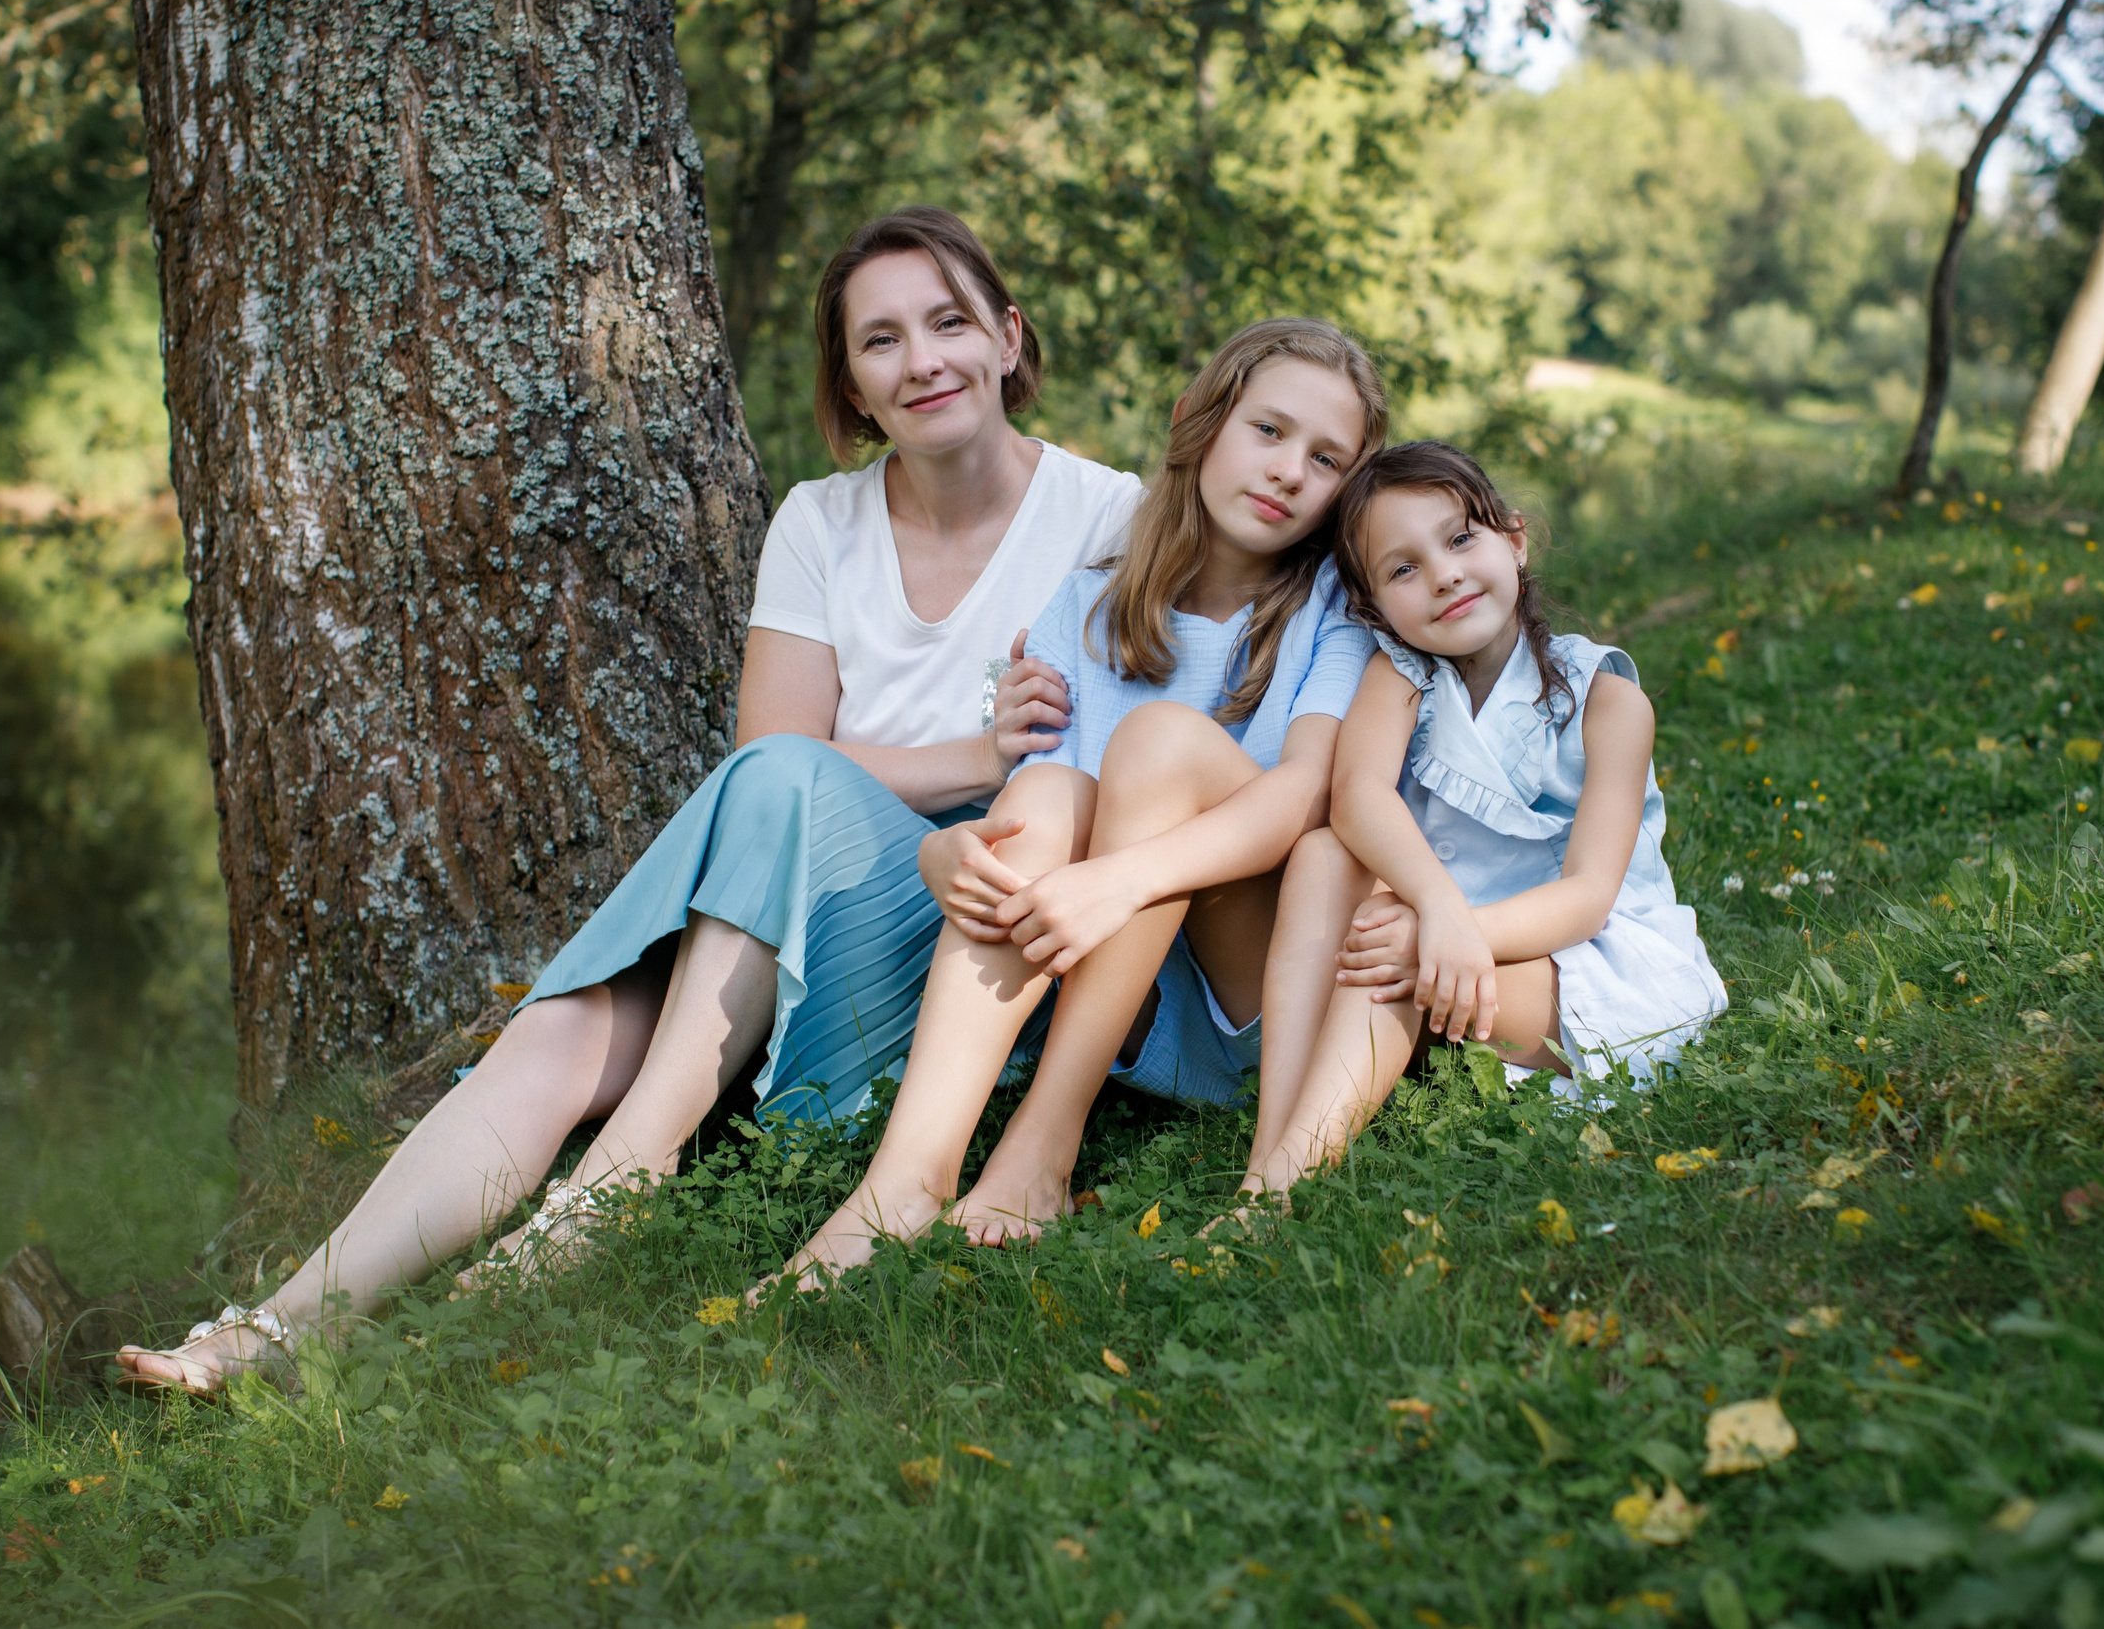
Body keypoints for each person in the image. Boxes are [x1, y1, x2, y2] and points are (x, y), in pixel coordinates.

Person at [118, 208, 1141, 1391]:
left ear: (1008, 339)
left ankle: (622, 1177)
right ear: (852, 387)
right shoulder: (820, 522)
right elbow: (775, 752)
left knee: (777, 793)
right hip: (773, 883)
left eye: (948, 323)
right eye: (880, 342)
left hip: (956, 946)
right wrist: (975, 750)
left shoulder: (1104, 520)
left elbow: (1079, 770)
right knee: (561, 1034)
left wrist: (932, 777)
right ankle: (290, 1324)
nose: (922, 362)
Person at [758, 318, 1389, 1293]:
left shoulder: (1336, 622)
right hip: (1112, 1000)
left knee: (1162, 744)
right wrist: (948, 857)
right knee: (1050, 787)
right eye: (1267, 431)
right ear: (1199, 422)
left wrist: (1117, 881)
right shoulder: (1086, 607)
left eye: (1326, 459)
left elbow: (1299, 802)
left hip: (1254, 994)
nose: (1289, 471)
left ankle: (1040, 1152)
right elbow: (1027, 814)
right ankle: (902, 1183)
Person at [1226, 440, 1726, 1202]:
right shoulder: (1399, 674)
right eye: (1403, 568)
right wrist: (1435, 907)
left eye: (1461, 538)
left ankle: (1279, 1190)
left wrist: (1450, 928)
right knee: (1328, 852)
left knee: (1397, 952)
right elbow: (1359, 794)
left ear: (1514, 541)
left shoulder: (1608, 699)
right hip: (1450, 945)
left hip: (1582, 960)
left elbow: (1590, 895)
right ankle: (1275, 1150)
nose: (1444, 573)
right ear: (1373, 608)